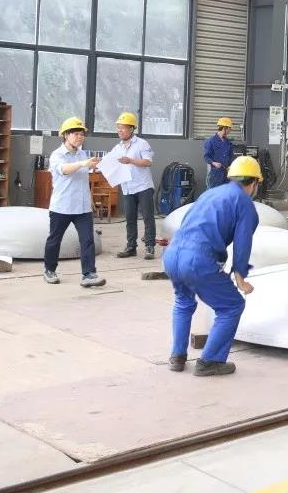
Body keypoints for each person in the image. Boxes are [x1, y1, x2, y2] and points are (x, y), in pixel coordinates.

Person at [164, 156, 261, 377]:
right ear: (255, 183)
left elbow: (187, 222)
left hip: (173, 254)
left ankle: (177, 357)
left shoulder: (210, 193)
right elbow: (243, 243)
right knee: (231, 306)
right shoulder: (245, 203)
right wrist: (240, 277)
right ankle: (210, 361)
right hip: (197, 259)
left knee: (183, 302)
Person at [44, 117, 106, 287]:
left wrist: (91, 200)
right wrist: (83, 163)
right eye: (76, 134)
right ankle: (49, 270)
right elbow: (64, 170)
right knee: (54, 240)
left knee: (87, 240)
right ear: (65, 135)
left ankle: (89, 274)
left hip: (82, 207)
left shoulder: (81, 154)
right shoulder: (57, 155)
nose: (80, 137)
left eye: (82, 134)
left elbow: (83, 180)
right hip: (62, 206)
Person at [112, 112, 157, 260]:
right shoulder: (117, 147)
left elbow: (148, 162)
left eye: (123, 127)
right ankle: (131, 247)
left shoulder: (142, 144)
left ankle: (150, 246)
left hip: (143, 186)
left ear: (131, 128)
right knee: (130, 219)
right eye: (118, 127)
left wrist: (130, 160)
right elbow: (111, 162)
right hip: (127, 187)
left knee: (148, 217)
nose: (119, 130)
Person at [203, 117, 234, 189]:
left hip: (227, 173)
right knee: (214, 193)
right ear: (224, 128)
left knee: (226, 193)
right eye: (229, 128)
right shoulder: (211, 141)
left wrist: (230, 166)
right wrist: (214, 163)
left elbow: (231, 156)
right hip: (216, 174)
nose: (230, 131)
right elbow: (206, 156)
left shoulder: (228, 143)